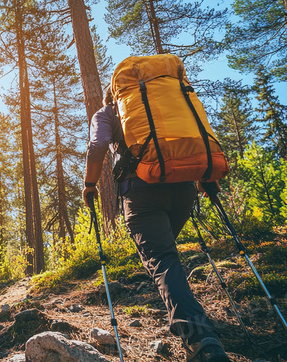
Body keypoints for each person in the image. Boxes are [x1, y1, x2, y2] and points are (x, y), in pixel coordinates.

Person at [83, 87, 229, 362]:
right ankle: (188, 314)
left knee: (162, 258)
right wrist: (206, 176)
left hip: (141, 191)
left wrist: (90, 184)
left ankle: (201, 339)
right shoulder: (165, 105)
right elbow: (192, 136)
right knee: (165, 254)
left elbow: (98, 145)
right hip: (183, 187)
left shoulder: (107, 112)